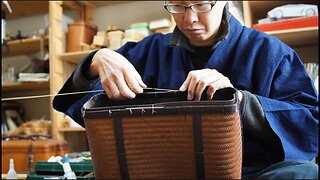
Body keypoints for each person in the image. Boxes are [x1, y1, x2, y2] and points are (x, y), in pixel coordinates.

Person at [53, 1, 318, 179]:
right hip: (160, 172)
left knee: (306, 173)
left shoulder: (270, 52)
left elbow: (309, 124)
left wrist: (240, 100)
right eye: (177, 5)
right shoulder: (149, 51)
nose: (189, 18)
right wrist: (96, 61)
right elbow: (82, 105)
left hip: (247, 173)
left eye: (201, 4)